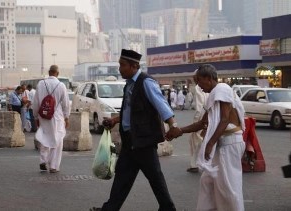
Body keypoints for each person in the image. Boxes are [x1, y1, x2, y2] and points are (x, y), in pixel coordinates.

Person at [91, 49, 180, 211]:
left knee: (155, 177)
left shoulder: (146, 82)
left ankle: (168, 208)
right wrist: (114, 120)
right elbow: (128, 111)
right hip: (130, 142)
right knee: (122, 177)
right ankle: (109, 208)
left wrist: (173, 125)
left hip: (143, 141)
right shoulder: (129, 85)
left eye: (122, 65)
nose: (119, 68)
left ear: (134, 66)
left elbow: (162, 105)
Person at [166, 64, 246, 211]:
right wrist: (179, 131)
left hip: (229, 144)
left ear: (208, 78)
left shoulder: (222, 89)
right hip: (222, 145)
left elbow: (224, 120)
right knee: (208, 183)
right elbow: (202, 123)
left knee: (228, 189)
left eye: (199, 81)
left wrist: (209, 144)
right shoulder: (214, 94)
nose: (199, 86)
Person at [32, 65, 70, 173]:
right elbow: (66, 104)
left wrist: (36, 116)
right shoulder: (61, 85)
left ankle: (43, 160)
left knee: (45, 136)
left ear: (49, 72)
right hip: (56, 117)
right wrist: (66, 117)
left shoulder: (40, 83)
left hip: (43, 116)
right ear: (57, 73)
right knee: (58, 139)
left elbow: (36, 102)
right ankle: (53, 166)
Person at [187, 72, 209, 173]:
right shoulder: (206, 87)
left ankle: (195, 164)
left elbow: (199, 107)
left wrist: (196, 122)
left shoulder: (198, 88)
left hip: (202, 116)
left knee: (195, 140)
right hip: (206, 115)